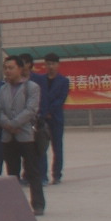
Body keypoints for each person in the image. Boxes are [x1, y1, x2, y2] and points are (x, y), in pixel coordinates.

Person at [0, 55, 46, 214]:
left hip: (26, 136)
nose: (7, 71)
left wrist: (14, 124)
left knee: (32, 171)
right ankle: (16, 205)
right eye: (5, 68)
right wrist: (7, 125)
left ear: (20, 69)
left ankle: (38, 204)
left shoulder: (31, 87)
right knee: (12, 173)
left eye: (11, 68)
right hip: (8, 136)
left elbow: (31, 110)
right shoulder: (3, 89)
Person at [35, 53, 71, 184]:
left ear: (58, 65)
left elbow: (61, 99)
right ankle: (42, 175)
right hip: (42, 119)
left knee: (57, 148)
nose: (50, 66)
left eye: (53, 64)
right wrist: (43, 113)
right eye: (48, 64)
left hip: (56, 119)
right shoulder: (40, 80)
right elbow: (38, 97)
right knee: (41, 147)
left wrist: (49, 111)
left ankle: (57, 174)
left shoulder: (63, 81)